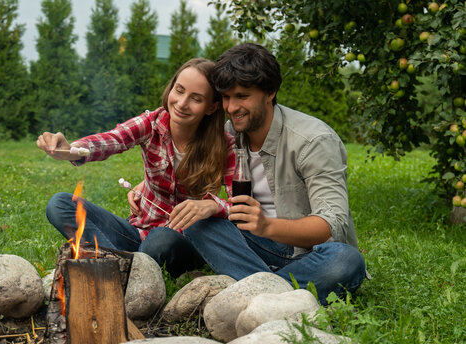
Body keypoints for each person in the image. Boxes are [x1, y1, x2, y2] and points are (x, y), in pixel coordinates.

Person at [133, 43, 366, 305]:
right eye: (226, 97)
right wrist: (146, 184)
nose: (232, 108)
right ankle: (276, 292)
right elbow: (192, 167)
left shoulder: (313, 141)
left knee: (346, 261)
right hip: (246, 244)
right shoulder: (230, 134)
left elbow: (331, 224)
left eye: (242, 96)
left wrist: (266, 225)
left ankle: (251, 287)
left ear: (270, 92)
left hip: (304, 252)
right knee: (198, 222)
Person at [37, 58, 236, 278]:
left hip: (183, 243)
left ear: (212, 107)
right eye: (178, 91)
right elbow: (112, 139)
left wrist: (211, 205)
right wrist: (71, 150)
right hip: (138, 232)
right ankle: (113, 263)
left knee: (160, 238)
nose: (181, 103)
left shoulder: (224, 145)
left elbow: (236, 206)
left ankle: (126, 270)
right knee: (61, 204)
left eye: (196, 99)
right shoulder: (152, 123)